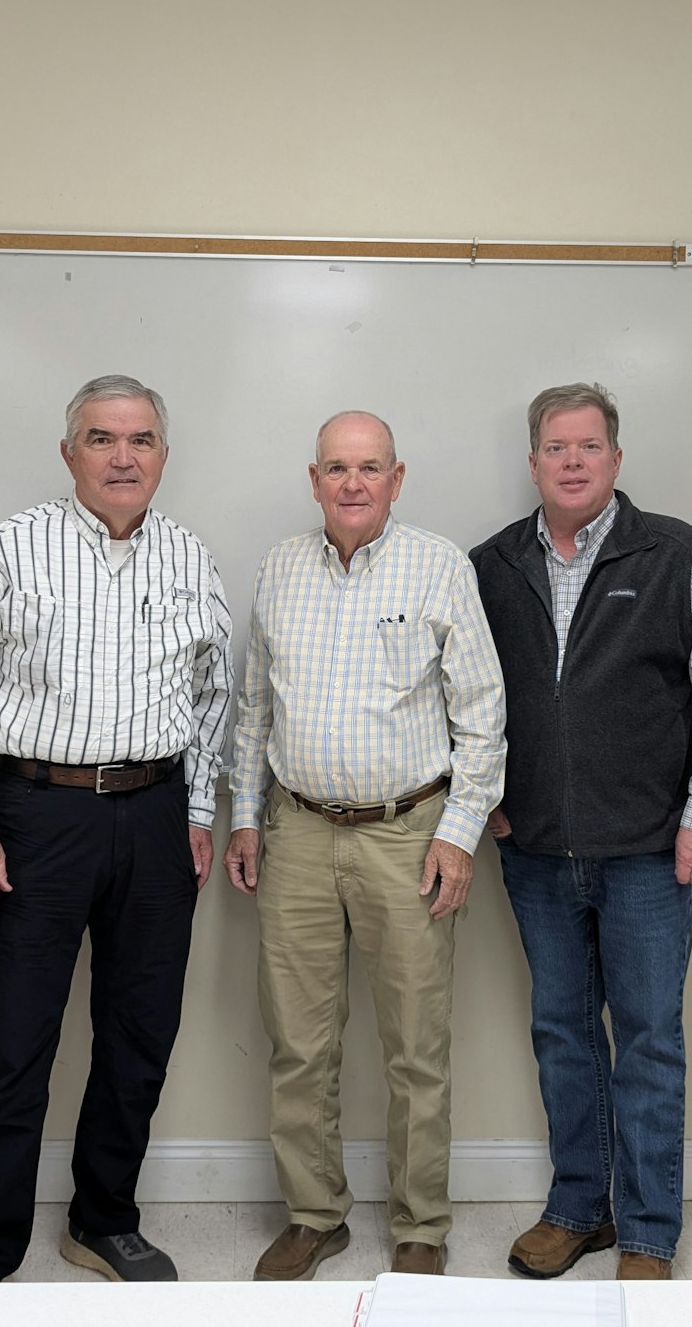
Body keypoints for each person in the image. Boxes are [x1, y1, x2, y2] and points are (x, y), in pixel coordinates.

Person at [0, 375, 232, 1284]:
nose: (123, 456)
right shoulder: (10, 549)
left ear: (163, 456)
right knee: (15, 1041)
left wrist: (200, 809)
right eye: (101, 439)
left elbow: (216, 693)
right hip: (34, 817)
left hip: (157, 814)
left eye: (140, 440)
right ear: (70, 454)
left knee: (140, 1034)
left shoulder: (190, 557)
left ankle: (104, 1219)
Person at [470, 383, 692, 1282]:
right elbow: (461, 696)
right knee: (562, 1032)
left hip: (650, 852)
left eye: (588, 446)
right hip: (538, 853)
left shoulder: (678, 553)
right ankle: (576, 1209)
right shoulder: (491, 564)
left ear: (615, 459)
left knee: (646, 1037)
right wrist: (488, 802)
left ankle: (645, 1231)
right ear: (533, 462)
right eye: (555, 447)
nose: (571, 461)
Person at [225, 411, 506, 1281]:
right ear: (314, 480)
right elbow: (253, 711)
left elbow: (484, 719)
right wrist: (244, 813)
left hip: (408, 834)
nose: (353, 483)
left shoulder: (439, 566)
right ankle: (315, 1214)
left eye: (370, 467)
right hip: (298, 832)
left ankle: (421, 1226)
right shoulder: (279, 567)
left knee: (415, 1043)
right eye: (337, 468)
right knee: (298, 1042)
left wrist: (458, 837)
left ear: (397, 477)